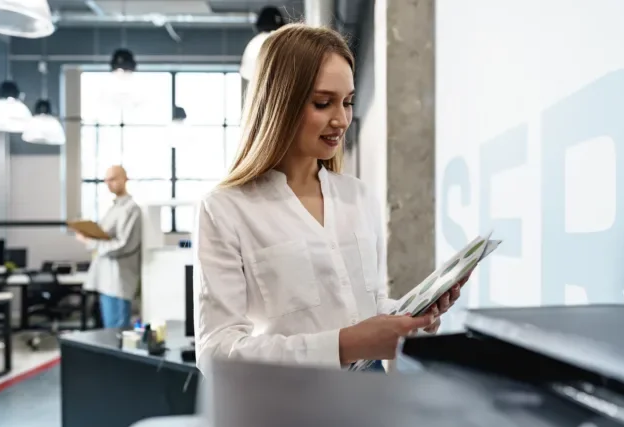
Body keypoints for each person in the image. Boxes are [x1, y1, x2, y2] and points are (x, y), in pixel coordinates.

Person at [193, 24, 466, 372]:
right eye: (323, 103)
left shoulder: (358, 197)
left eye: (348, 102)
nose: (341, 119)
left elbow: (368, 306)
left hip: (369, 405)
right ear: (281, 102)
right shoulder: (225, 209)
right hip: (289, 414)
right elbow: (216, 351)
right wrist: (345, 344)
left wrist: (413, 319)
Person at [77, 165, 142, 328]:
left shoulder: (131, 209)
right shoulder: (113, 208)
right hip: (106, 279)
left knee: (116, 332)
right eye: (106, 180)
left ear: (124, 179)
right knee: (108, 331)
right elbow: (105, 236)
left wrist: (90, 242)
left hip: (118, 280)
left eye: (113, 179)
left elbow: (123, 244)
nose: (108, 183)